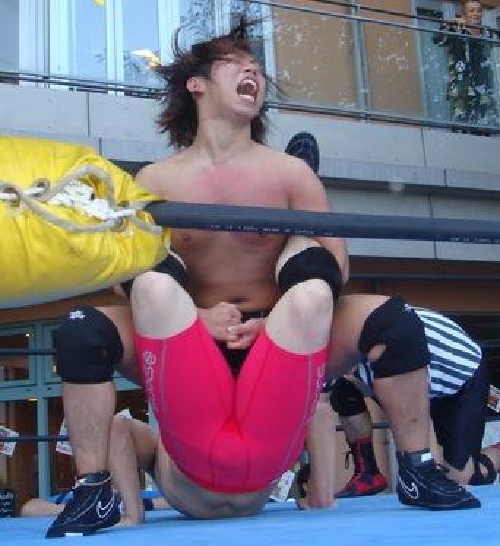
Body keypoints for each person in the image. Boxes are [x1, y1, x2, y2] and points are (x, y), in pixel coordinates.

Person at [45, 18, 348, 538]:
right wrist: (197, 317)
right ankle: (93, 489)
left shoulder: (291, 173)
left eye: (257, 66)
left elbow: (336, 262)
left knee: (368, 311)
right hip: (189, 338)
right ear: (196, 83)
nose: (253, 70)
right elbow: (127, 273)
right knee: (97, 317)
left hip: (273, 335)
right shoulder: (154, 180)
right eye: (236, 62)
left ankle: (415, 470)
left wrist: (276, 321)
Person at [299, 293, 491, 511]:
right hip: (390, 364)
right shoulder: (325, 344)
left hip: (461, 376)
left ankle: (494, 456)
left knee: (460, 479)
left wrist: (424, 470)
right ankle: (367, 470)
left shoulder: (385, 332)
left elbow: (414, 410)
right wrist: (322, 494)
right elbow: (318, 404)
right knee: (340, 387)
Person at [22, 415, 168, 523]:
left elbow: (165, 502)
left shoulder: (138, 496)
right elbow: (28, 509)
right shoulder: (74, 497)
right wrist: (83, 508)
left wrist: (120, 505)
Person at [432, 0, 499, 131]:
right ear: (464, 15)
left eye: (479, 11)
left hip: (483, 89)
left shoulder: (487, 33)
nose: (476, 14)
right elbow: (437, 39)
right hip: (461, 90)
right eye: (471, 11)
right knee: (462, 129)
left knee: (486, 130)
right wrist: (450, 23)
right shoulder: (456, 30)